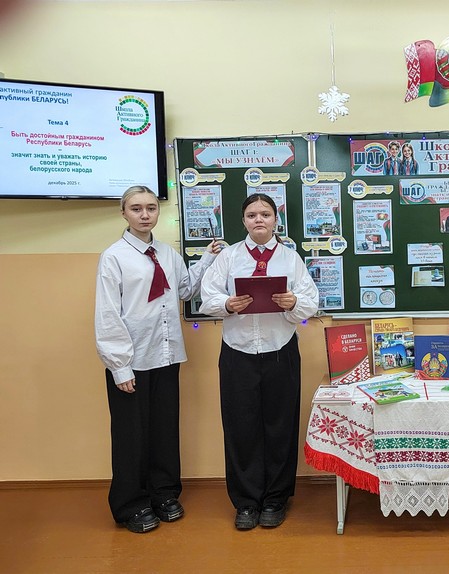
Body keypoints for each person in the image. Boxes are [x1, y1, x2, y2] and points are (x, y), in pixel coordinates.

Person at [95, 185, 221, 533]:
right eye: (136, 208)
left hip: (166, 355)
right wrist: (119, 365)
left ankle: (164, 493)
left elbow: (184, 289)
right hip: (132, 361)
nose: (145, 214)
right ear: (124, 213)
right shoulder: (114, 257)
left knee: (164, 430)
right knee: (131, 435)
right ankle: (130, 504)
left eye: (151, 208)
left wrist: (207, 259)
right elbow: (108, 313)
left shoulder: (166, 252)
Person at [200, 193, 319, 531]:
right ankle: (247, 502)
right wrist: (227, 304)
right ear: (243, 221)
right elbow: (207, 296)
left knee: (280, 426)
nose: (259, 220)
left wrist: (293, 302)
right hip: (237, 352)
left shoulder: (290, 258)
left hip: (280, 351)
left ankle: (276, 499)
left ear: (275, 219)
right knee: (241, 428)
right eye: (252, 215)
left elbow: (311, 301)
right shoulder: (228, 257)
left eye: (265, 214)